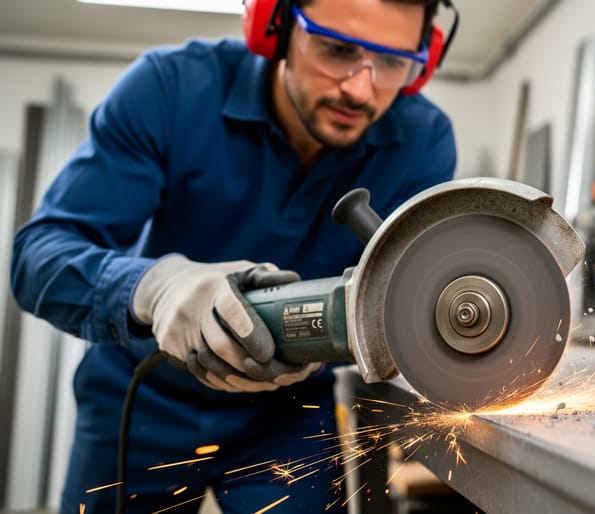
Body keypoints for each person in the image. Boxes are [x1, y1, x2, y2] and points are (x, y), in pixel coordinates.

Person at [9, 0, 456, 511]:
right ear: (275, 24)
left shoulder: (424, 141)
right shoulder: (170, 89)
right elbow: (36, 256)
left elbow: (407, 300)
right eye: (337, 50)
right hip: (144, 398)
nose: (360, 88)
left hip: (288, 414)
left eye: (393, 62)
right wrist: (155, 288)